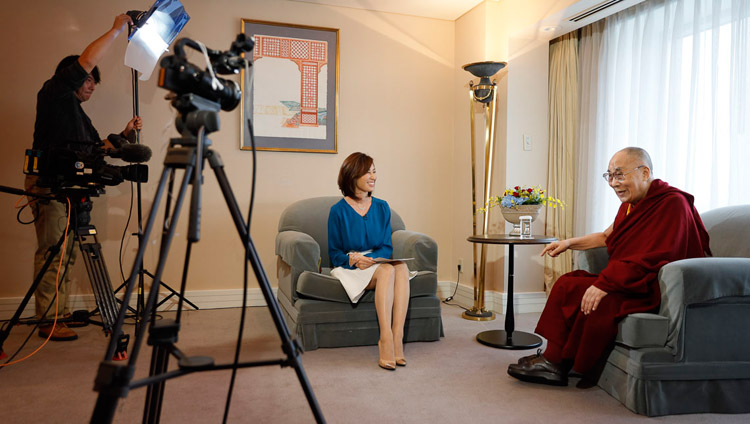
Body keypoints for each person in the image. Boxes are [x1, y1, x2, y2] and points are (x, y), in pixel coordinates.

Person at [507, 147, 711, 387]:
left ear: (644, 172)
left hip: (651, 286)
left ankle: (555, 363)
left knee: (584, 292)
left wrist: (606, 283)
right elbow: (606, 237)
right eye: (610, 176)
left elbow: (658, 257)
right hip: (629, 279)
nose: (614, 183)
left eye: (619, 175)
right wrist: (569, 243)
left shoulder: (672, 203)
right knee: (568, 282)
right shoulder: (630, 205)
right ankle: (556, 359)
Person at [24, 14, 143, 341]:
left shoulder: (79, 116)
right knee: (52, 252)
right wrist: (118, 28)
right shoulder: (54, 94)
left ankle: (58, 313)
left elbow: (95, 149)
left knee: (67, 252)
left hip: (70, 185)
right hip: (50, 184)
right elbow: (87, 60)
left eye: (94, 80)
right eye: (88, 78)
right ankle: (48, 320)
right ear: (71, 76)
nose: (92, 84)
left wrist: (124, 134)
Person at [328, 152, 415, 371]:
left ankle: (398, 337)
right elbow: (334, 252)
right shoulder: (337, 211)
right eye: (368, 171)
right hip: (352, 266)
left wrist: (374, 259)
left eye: (374, 171)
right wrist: (355, 260)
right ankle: (385, 339)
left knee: (401, 267)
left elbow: (386, 245)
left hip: (376, 262)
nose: (373, 176)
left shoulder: (382, 207)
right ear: (352, 174)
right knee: (387, 271)